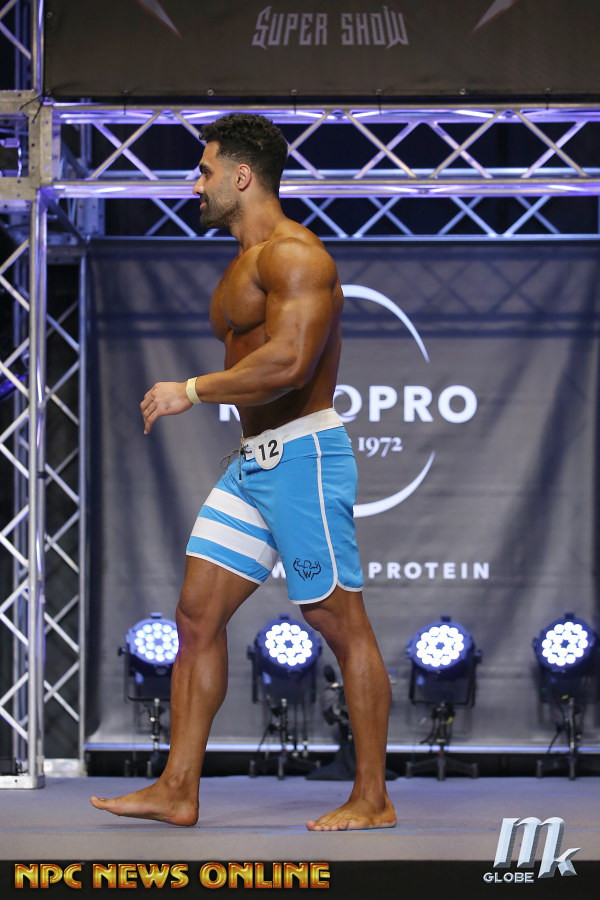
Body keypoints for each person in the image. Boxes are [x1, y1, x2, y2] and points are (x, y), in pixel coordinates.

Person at [90, 113, 395, 831]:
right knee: (196, 617)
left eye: (204, 172)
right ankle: (178, 788)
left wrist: (191, 390)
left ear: (242, 175)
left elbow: (289, 362)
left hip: (303, 457)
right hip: (254, 465)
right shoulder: (241, 263)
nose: (194, 185)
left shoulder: (297, 256)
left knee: (337, 620)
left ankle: (373, 798)